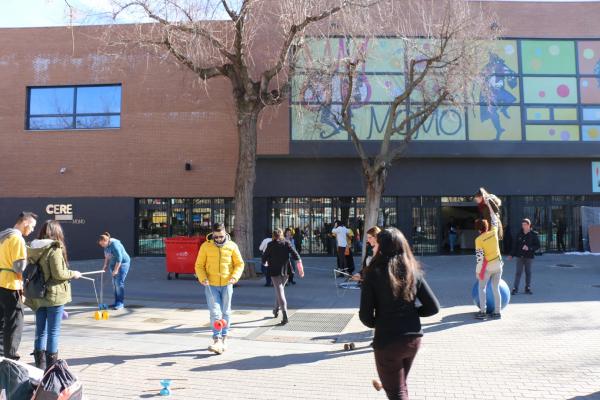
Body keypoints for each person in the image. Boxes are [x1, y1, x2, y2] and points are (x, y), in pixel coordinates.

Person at [359, 228, 440, 400]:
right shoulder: (413, 271)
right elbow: (433, 307)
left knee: (397, 393)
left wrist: (381, 321)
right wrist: (411, 313)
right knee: (400, 388)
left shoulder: (373, 273)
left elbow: (365, 316)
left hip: (388, 342)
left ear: (380, 247)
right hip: (413, 340)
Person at [25, 221, 82, 370]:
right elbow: (59, 274)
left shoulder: (31, 247)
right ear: (57, 232)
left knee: (40, 331)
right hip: (54, 295)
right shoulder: (54, 248)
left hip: (37, 294)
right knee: (53, 332)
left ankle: (40, 367)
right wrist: (74, 274)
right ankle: (51, 369)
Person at [195, 223, 244, 354]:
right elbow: (199, 265)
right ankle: (217, 339)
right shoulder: (206, 246)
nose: (218, 239)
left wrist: (234, 277)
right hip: (211, 285)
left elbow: (239, 264)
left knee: (226, 311)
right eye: (216, 237)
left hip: (227, 284)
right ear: (212, 235)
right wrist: (202, 277)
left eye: (221, 237)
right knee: (215, 312)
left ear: (225, 233)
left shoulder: (232, 246)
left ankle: (225, 337)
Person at [0, 212, 37, 360]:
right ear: (25, 223)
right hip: (11, 284)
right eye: (32, 226)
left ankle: (2, 353)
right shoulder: (17, 239)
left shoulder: (3, 236)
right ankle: (11, 357)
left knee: (2, 320)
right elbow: (19, 267)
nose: (32, 230)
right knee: (15, 322)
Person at [262, 229, 304, 325]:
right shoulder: (287, 243)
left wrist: (264, 263)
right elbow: (296, 255)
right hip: (286, 271)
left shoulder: (270, 245)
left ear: (273, 236)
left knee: (280, 291)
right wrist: (300, 268)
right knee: (280, 290)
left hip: (274, 270)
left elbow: (264, 257)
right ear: (281, 235)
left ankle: (285, 316)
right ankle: (276, 309)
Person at [474, 195, 503, 320]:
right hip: (499, 264)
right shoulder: (494, 232)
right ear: (487, 227)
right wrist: (489, 205)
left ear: (478, 229)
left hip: (488, 267)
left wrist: (477, 272)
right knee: (496, 288)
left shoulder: (478, 240)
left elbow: (480, 259)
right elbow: (494, 218)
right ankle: (497, 312)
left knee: (482, 288)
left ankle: (483, 311)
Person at [98, 232, 131, 310]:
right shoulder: (105, 245)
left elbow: (119, 258)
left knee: (119, 283)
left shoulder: (115, 245)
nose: (102, 246)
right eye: (101, 245)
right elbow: (106, 256)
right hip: (113, 264)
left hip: (123, 263)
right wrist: (105, 266)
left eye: (103, 244)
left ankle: (120, 303)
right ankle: (116, 302)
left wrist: (116, 270)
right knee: (114, 284)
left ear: (106, 241)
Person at [509, 218, 540, 295]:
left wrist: (529, 248)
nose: (523, 226)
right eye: (522, 225)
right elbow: (515, 245)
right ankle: (515, 289)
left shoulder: (533, 235)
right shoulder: (519, 234)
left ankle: (527, 288)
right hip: (519, 256)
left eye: (525, 225)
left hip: (529, 257)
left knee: (528, 272)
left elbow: (537, 246)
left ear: (529, 225)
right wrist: (511, 254)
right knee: (518, 272)